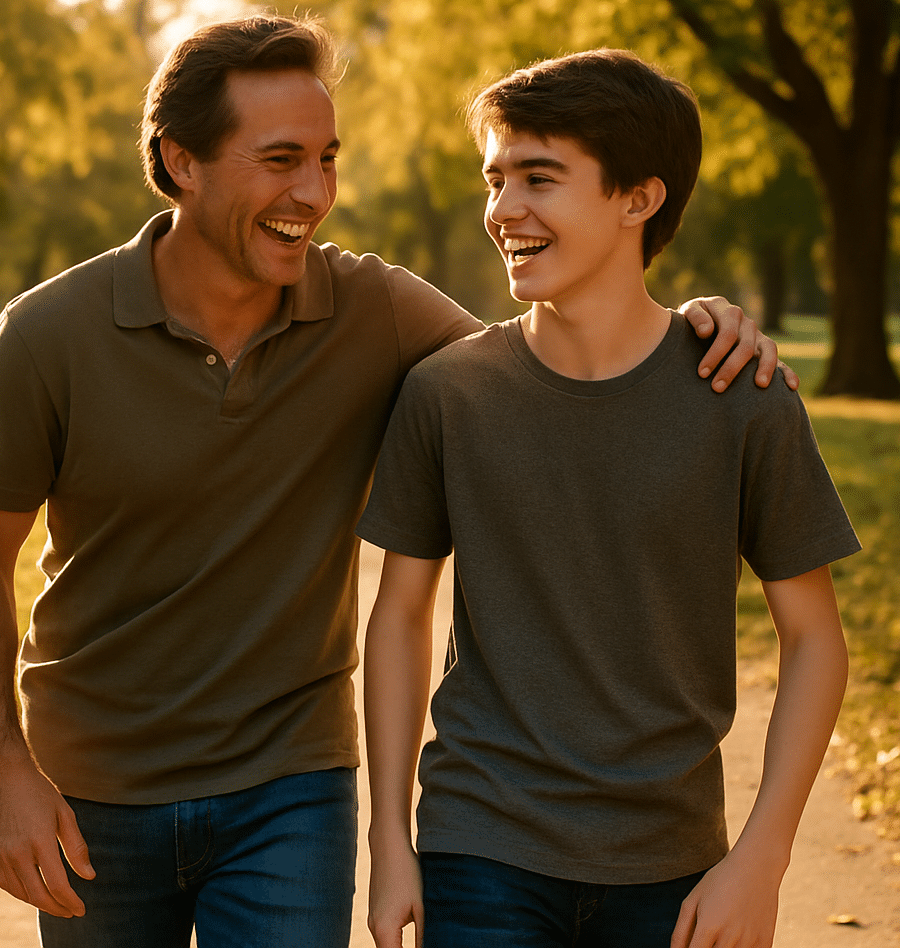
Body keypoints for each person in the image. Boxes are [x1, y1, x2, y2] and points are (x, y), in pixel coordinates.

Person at [0, 17, 789, 948]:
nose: (315, 191)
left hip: (290, 783)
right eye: (281, 159)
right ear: (182, 161)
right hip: (90, 789)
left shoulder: (372, 310)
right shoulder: (48, 335)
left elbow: (555, 357)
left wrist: (691, 326)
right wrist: (2, 769)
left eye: (328, 159)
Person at [359, 48, 859, 948]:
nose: (504, 210)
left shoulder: (741, 399)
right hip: (480, 843)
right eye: (496, 179)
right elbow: (398, 618)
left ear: (640, 197)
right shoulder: (448, 394)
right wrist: (390, 839)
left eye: (539, 179)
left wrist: (762, 858)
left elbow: (816, 639)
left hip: (671, 862)